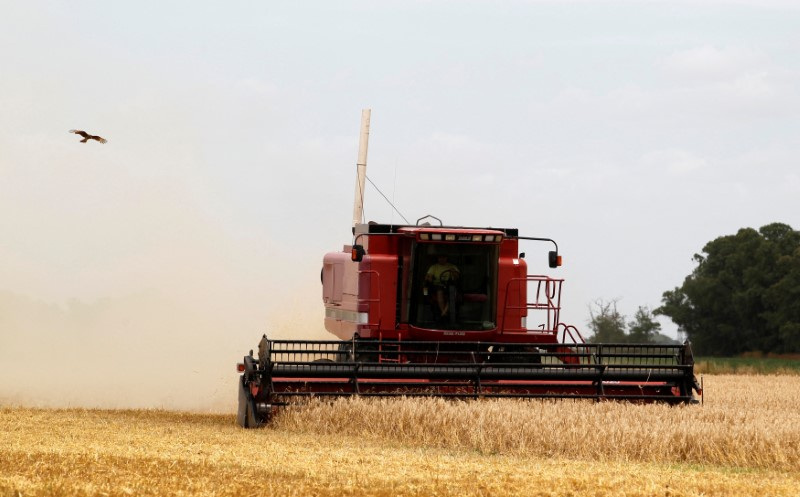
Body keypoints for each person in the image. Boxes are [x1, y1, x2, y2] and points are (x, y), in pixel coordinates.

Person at [425, 254, 460, 318]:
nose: (441, 259)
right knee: (439, 290)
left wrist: (453, 272)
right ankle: (443, 311)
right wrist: (429, 278)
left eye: (443, 257)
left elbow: (457, 277)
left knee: (452, 292)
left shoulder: (452, 266)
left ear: (446, 258)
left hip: (450, 285)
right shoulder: (434, 267)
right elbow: (428, 277)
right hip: (437, 285)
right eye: (440, 257)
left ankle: (444, 312)